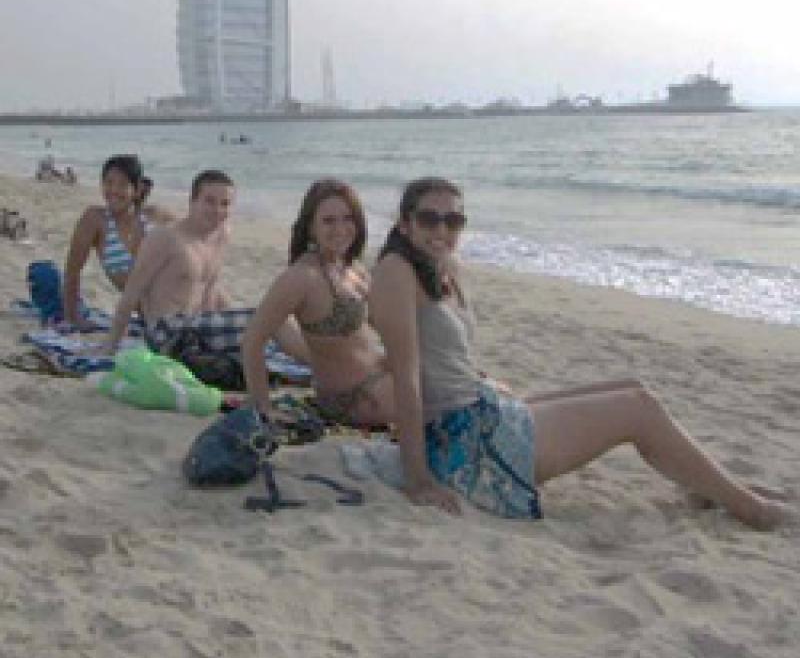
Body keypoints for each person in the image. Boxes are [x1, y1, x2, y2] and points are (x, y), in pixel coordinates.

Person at [368, 177, 792, 529]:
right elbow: (405, 380)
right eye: (429, 218)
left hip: (481, 407)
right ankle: (749, 508)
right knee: (637, 408)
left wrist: (481, 379)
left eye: (453, 220)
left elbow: (443, 357)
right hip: (465, 441)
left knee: (633, 387)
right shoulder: (396, 272)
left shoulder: (443, 268)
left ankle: (711, 486)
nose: (442, 229)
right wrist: (419, 479)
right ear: (405, 224)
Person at [101, 170, 306, 364]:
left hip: (199, 328)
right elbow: (131, 294)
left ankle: (321, 362)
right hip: (166, 333)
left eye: (225, 204)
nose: (217, 210)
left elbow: (210, 290)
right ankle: (325, 371)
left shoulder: (222, 234)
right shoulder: (165, 238)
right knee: (273, 320)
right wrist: (110, 348)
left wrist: (236, 317)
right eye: (209, 201)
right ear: (192, 202)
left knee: (272, 319)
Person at [242, 178, 393, 427]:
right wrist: (263, 407)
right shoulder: (302, 277)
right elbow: (252, 341)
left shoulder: (353, 267)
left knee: (458, 386)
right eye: (329, 220)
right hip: (356, 398)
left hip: (381, 376)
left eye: (348, 218)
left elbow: (378, 331)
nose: (341, 228)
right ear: (311, 227)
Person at [63, 155, 173, 329]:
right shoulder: (95, 220)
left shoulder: (155, 216)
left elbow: (196, 238)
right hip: (154, 320)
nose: (113, 190)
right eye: (108, 182)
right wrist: (72, 317)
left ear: (137, 189)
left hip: (182, 306)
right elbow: (72, 272)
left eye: (122, 184)